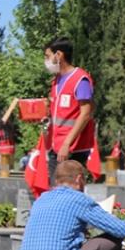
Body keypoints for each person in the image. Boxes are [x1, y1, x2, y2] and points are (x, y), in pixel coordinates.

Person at [15, 160, 125, 250]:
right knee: (111, 242)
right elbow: (122, 230)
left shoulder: (41, 199)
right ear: (78, 179)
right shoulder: (79, 199)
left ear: (57, 180)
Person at [43, 37, 96, 182]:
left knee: (70, 188)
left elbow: (86, 113)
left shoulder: (80, 80)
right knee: (55, 189)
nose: (46, 61)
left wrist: (67, 144)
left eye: (48, 56)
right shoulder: (56, 81)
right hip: (56, 147)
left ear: (59, 55)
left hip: (73, 149)